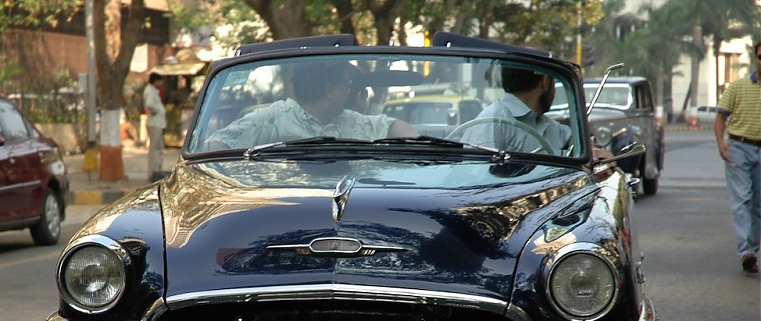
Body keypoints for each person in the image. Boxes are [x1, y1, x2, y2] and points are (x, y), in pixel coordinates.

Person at [207, 61, 415, 149]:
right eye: (347, 83)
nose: (350, 90)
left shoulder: (350, 121)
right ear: (330, 90)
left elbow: (392, 126)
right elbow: (217, 144)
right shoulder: (274, 117)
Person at [714, 41, 761, 274]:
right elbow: (721, 117)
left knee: (758, 203)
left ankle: (751, 247)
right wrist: (721, 143)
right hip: (739, 147)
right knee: (742, 198)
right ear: (755, 58)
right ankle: (746, 251)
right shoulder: (738, 87)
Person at [461, 66, 571, 154]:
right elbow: (478, 172)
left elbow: (580, 148)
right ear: (545, 81)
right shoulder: (494, 120)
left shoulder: (552, 127)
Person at [143, 72, 166, 180]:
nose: (161, 83)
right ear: (155, 81)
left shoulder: (154, 91)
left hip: (158, 123)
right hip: (154, 123)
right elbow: (149, 104)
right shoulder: (150, 91)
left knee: (160, 148)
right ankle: (152, 172)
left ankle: (157, 170)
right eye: (160, 81)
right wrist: (157, 111)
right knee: (154, 148)